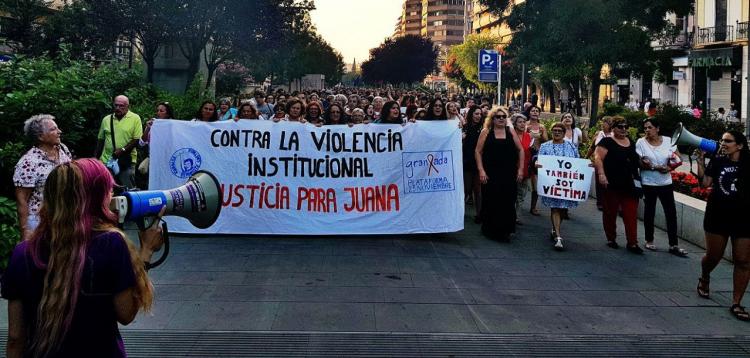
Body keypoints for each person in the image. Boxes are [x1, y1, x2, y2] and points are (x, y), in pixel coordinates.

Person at [2, 158, 164, 357]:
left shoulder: (23, 253)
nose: (112, 194)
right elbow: (126, 313)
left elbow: (15, 338)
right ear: (95, 198)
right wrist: (146, 251)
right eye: (108, 190)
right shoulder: (111, 244)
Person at [695, 131, 750, 321]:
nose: (723, 143)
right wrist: (701, 163)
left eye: (728, 141)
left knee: (743, 260)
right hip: (718, 215)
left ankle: (736, 302)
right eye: (722, 140)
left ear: (740, 145)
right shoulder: (718, 161)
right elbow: (705, 184)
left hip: (744, 217)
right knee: (713, 256)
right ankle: (705, 275)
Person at [14, 115, 73, 240]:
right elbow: (22, 200)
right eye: (53, 129)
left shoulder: (63, 149)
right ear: (40, 137)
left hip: (65, 217)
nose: (59, 132)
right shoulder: (28, 162)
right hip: (41, 223)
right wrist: (25, 231)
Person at [635, 118, 686, 256]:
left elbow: (679, 158)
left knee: (671, 213)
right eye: (645, 128)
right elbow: (639, 162)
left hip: (665, 182)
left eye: (650, 127)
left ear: (657, 129)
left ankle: (673, 244)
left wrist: (669, 168)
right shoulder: (641, 142)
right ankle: (649, 240)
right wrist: (654, 166)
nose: (647, 130)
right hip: (649, 182)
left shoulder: (669, 141)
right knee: (649, 211)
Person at [595, 116, 644, 254]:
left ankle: (632, 242)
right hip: (612, 183)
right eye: (620, 126)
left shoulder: (631, 142)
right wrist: (601, 174)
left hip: (630, 184)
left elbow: (635, 159)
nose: (624, 129)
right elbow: (598, 158)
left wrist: (643, 162)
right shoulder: (607, 142)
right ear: (613, 128)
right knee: (610, 212)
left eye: (625, 126)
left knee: (631, 213)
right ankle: (611, 238)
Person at [475, 107, 525, 241]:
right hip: (490, 173)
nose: (501, 118)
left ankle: (506, 230)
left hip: (508, 173)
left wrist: (520, 169)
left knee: (508, 201)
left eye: (503, 116)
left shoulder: (511, 131)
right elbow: (478, 152)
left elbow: (520, 150)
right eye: (498, 116)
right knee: (491, 200)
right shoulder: (486, 132)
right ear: (492, 119)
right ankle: (490, 229)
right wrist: (481, 170)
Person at [536, 122, 581, 250]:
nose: (556, 133)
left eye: (559, 131)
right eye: (554, 130)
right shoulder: (545, 146)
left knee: (563, 209)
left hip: (566, 185)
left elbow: (577, 161)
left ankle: (555, 229)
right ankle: (558, 236)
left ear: (563, 132)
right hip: (551, 184)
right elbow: (540, 160)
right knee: (555, 208)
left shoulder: (571, 146)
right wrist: (537, 164)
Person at [94, 95, 142, 189]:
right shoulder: (107, 119)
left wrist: (123, 150)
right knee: (106, 189)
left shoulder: (135, 118)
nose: (118, 108)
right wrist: (95, 159)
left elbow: (136, 140)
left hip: (126, 161)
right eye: (116, 105)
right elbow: (100, 140)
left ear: (128, 106)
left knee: (128, 189)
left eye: (121, 106)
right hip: (106, 161)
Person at [462, 105, 483, 223]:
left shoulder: (484, 129)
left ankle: (480, 214)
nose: (478, 116)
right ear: (471, 114)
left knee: (478, 190)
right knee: (466, 189)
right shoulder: (465, 127)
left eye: (480, 114)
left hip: (479, 163)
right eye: (476, 114)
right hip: (467, 162)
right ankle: (459, 212)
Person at [587, 116, 613, 210]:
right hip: (599, 161)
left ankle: (610, 202)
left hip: (611, 163)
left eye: (604, 122)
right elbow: (592, 147)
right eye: (602, 122)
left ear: (609, 124)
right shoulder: (599, 134)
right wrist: (586, 157)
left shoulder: (614, 134)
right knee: (599, 183)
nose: (602, 124)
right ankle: (600, 202)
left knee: (610, 183)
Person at [511, 113, 532, 225]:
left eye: (524, 122)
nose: (522, 124)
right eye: (520, 122)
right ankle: (509, 214)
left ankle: (516, 217)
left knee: (521, 195)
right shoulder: (510, 135)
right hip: (511, 168)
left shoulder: (529, 136)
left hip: (525, 169)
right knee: (511, 194)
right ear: (514, 124)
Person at [526, 105, 547, 216]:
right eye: (532, 111)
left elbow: (545, 141)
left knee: (536, 183)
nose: (535, 112)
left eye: (537, 111)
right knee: (522, 181)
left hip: (536, 156)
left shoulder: (542, 126)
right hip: (525, 155)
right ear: (529, 113)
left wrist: (542, 133)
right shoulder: (524, 124)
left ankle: (533, 207)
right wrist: (526, 131)